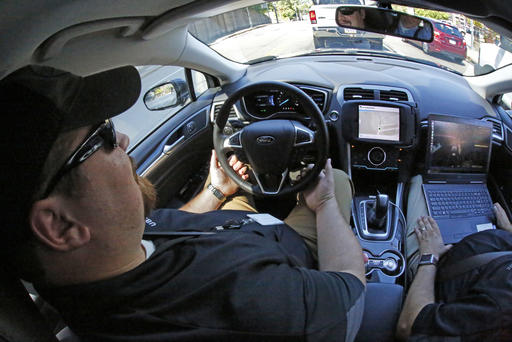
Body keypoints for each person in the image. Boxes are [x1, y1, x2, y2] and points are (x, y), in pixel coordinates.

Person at [0, 65, 366, 341]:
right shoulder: (248, 302)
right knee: (335, 180)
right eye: (104, 137)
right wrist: (325, 205)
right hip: (289, 251)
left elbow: (162, 230)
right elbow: (350, 295)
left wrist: (217, 191)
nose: (124, 138)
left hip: (238, 230)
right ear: (59, 225)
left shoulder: (103, 257)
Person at [395, 215, 512, 341]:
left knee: (420, 200)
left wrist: (429, 256)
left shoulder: (499, 310)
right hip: (469, 247)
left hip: (429, 275)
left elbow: (408, 326)